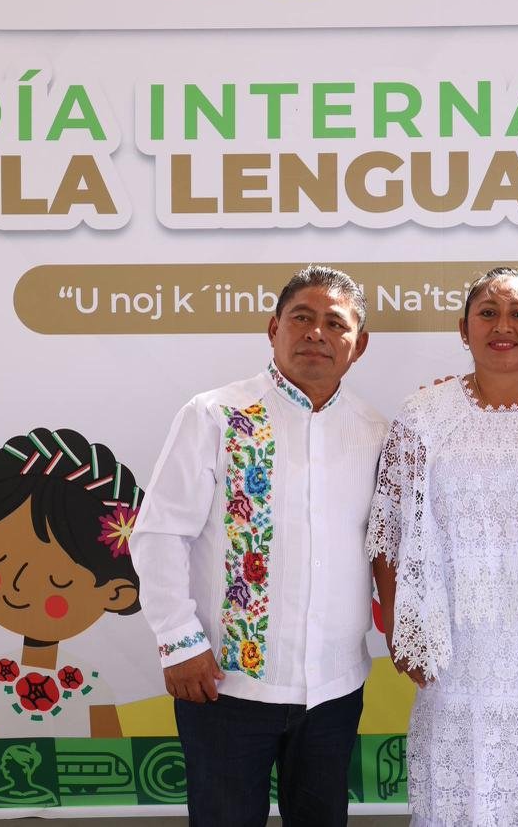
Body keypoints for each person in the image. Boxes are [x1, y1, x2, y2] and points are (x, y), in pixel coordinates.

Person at [130, 265, 387, 827]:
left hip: (334, 689)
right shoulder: (214, 415)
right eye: (302, 317)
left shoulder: (376, 432)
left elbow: (387, 547)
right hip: (224, 684)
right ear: (273, 328)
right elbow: (159, 532)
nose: (316, 333)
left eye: (334, 323)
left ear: (359, 345)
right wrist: (178, 641)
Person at [368, 267, 518, 826]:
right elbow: (388, 531)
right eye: (488, 312)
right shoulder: (423, 415)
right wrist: (405, 631)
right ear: (462, 328)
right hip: (455, 651)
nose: (503, 325)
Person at [0, 426, 142, 739]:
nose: (17, 586)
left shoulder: (90, 686)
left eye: (58, 581)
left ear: (115, 593)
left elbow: (114, 764)